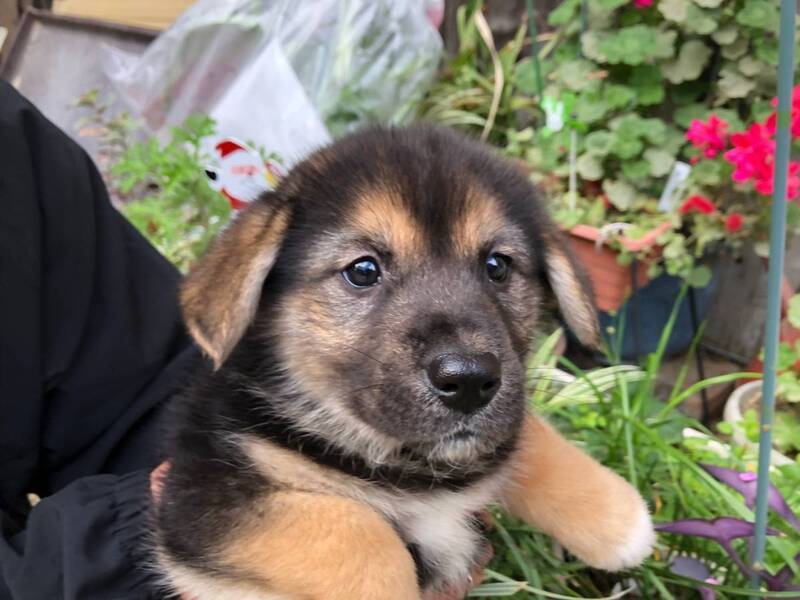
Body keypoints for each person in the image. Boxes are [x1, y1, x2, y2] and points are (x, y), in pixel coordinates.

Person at [0, 81, 488, 600]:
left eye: (495, 267)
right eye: (363, 271)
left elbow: (144, 383)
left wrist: (354, 480)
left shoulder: (12, 147)